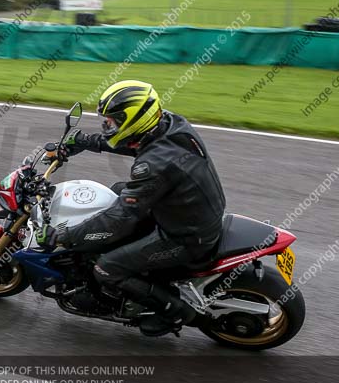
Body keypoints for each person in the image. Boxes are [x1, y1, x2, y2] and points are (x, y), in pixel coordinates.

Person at [37, 80, 226, 336]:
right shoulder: (170, 125)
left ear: (134, 120)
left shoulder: (152, 166)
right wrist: (81, 141)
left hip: (184, 236)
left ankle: (174, 313)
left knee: (106, 267)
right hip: (186, 210)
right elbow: (131, 143)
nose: (107, 126)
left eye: (112, 121)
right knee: (116, 189)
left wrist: (64, 236)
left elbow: (121, 218)